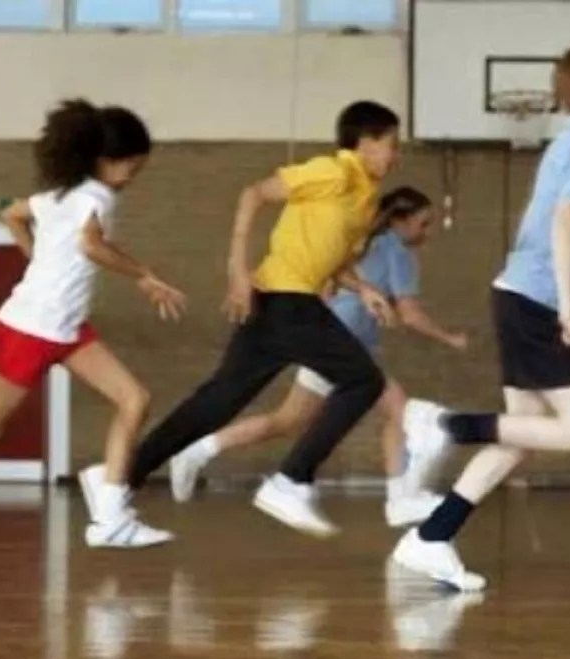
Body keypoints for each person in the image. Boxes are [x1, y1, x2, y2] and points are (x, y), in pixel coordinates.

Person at [393, 44, 570, 591]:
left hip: (518, 296)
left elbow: (549, 234)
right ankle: (443, 425)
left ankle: (432, 538)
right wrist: (568, 308)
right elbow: (563, 223)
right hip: (537, 304)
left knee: (519, 438)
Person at [119, 100, 405, 537]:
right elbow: (253, 194)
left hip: (278, 305)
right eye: (391, 145)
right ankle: (291, 481)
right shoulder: (332, 171)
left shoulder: (364, 199)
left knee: (217, 402)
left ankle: (119, 477)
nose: (395, 155)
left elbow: (332, 258)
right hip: (286, 300)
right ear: (365, 144)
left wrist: (363, 288)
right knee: (363, 380)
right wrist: (237, 270)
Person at [168, 186, 468, 528]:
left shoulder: (361, 244)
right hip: (339, 348)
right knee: (398, 412)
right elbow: (411, 314)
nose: (427, 232)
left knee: (288, 421)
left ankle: (196, 451)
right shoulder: (395, 252)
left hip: (343, 345)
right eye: (423, 223)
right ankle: (400, 498)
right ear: (400, 221)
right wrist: (450, 337)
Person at [0, 99, 185, 549]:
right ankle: (108, 504)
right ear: (105, 161)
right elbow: (91, 246)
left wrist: (38, 257)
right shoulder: (95, 197)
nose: (132, 178)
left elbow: (11, 213)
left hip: (65, 330)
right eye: (131, 168)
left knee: (134, 398)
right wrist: (144, 275)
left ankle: (110, 514)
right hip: (31, 329)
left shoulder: (58, 197)